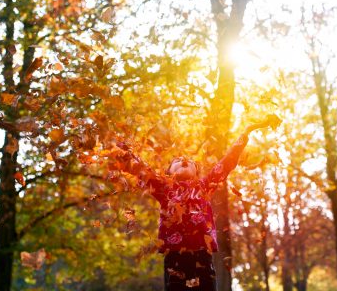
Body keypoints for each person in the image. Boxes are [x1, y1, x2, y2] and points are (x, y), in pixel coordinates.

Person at [113, 115, 282, 290]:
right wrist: (121, 148)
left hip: (202, 254)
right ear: (168, 172)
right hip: (175, 256)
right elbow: (140, 168)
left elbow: (227, 162)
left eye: (189, 162)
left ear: (196, 172)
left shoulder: (204, 186)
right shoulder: (163, 187)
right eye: (177, 162)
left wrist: (248, 130)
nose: (184, 161)